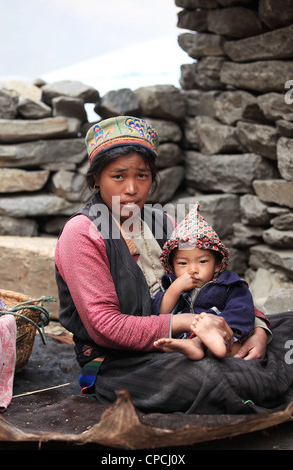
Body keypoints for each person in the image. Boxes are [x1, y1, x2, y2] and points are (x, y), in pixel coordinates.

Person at [55, 116, 293, 415]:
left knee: (287, 325)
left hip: (199, 332)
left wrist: (257, 330)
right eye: (118, 176)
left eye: (142, 176)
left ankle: (247, 366)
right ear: (95, 180)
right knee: (208, 378)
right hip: (122, 360)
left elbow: (218, 280)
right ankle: (250, 375)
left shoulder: (163, 221)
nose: (132, 188)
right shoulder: (82, 233)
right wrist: (188, 323)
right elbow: (106, 327)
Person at [153, 202, 256, 359]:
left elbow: (243, 310)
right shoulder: (171, 284)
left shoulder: (229, 284)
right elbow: (161, 312)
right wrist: (176, 288)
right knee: (168, 341)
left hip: (223, 336)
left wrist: (217, 326)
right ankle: (192, 345)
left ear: (217, 265)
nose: (193, 269)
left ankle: (202, 345)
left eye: (202, 262)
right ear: (172, 267)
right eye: (182, 263)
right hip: (185, 336)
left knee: (234, 347)